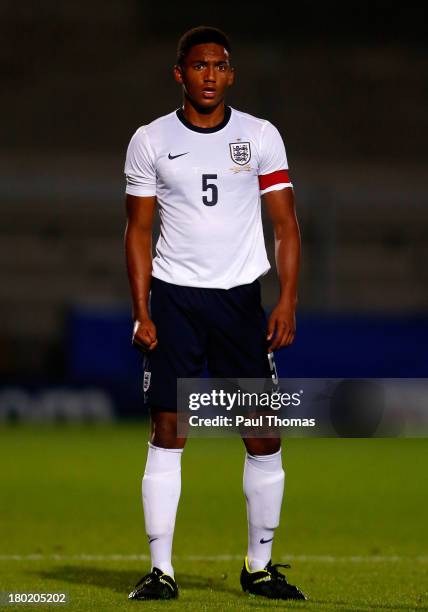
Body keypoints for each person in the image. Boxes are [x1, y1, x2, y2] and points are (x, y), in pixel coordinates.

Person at [123, 26, 306, 602]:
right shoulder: (150, 139)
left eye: (218, 65)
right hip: (176, 299)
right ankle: (161, 571)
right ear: (180, 73)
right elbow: (137, 230)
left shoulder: (259, 136)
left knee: (263, 435)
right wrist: (141, 309)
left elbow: (285, 224)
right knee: (169, 430)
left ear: (230, 74)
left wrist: (287, 298)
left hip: (238, 302)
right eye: (198, 65)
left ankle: (259, 567)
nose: (208, 74)